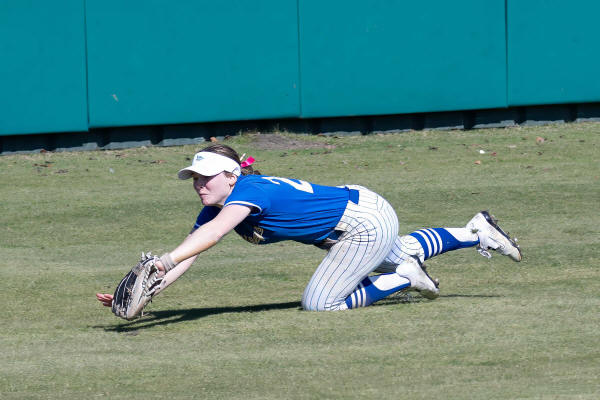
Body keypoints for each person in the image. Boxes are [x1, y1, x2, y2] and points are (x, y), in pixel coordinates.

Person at [96, 144, 521, 312]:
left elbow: (211, 237)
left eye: (206, 177)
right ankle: (474, 232)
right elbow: (192, 251)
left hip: (361, 222)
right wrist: (142, 290)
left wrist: (162, 262)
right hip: (359, 213)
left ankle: (404, 278)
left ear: (231, 175)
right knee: (399, 248)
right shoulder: (219, 204)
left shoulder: (249, 190)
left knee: (321, 304)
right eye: (194, 178)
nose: (199, 184)